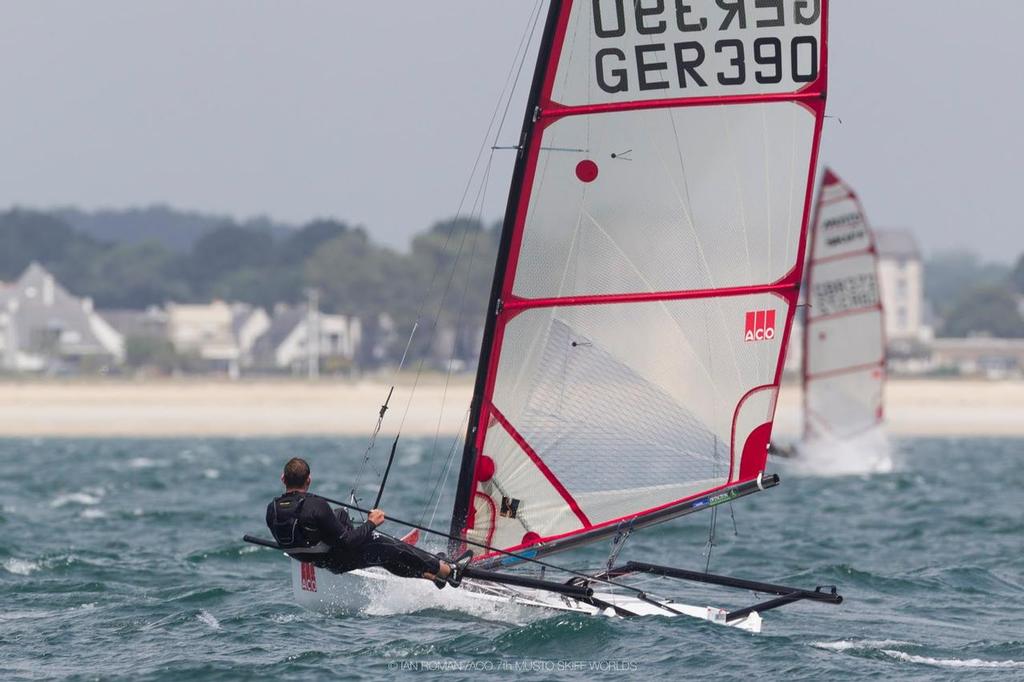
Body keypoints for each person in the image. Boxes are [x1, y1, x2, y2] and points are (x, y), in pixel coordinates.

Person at [266, 457, 464, 588]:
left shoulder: (272, 509)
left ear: (283, 479)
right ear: (309, 480)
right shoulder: (315, 506)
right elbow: (347, 542)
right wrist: (371, 523)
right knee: (387, 546)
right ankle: (447, 571)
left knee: (341, 514)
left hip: (314, 559)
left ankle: (429, 575)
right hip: (336, 560)